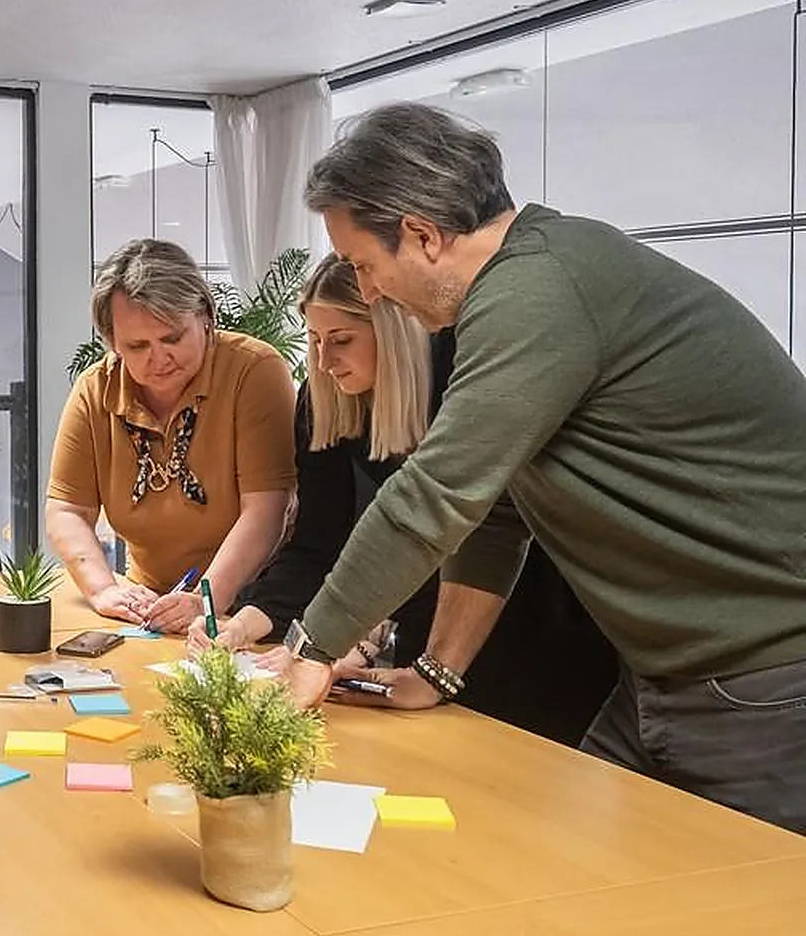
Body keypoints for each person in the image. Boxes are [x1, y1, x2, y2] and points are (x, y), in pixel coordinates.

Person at [271, 101, 806, 835]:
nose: (367, 292)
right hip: (665, 676)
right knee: (577, 889)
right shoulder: (512, 293)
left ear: (423, 235)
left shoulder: (538, 288)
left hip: (764, 680)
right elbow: (495, 509)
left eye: (365, 265)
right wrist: (437, 671)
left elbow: (432, 498)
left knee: (743, 922)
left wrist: (310, 650)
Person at [189, 254, 616, 744]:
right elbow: (316, 545)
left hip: (531, 623)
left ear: (392, 332)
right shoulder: (324, 399)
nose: (325, 362)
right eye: (315, 341)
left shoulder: (459, 385)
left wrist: (348, 643)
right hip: (429, 644)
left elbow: (453, 538)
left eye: (342, 340)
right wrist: (245, 624)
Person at [46, 238, 297, 635]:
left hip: (255, 609)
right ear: (112, 344)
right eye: (137, 346)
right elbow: (67, 510)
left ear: (206, 317)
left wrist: (205, 599)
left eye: (172, 338)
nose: (158, 358)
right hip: (151, 607)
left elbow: (266, 510)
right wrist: (104, 591)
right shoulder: (95, 390)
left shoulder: (255, 371)